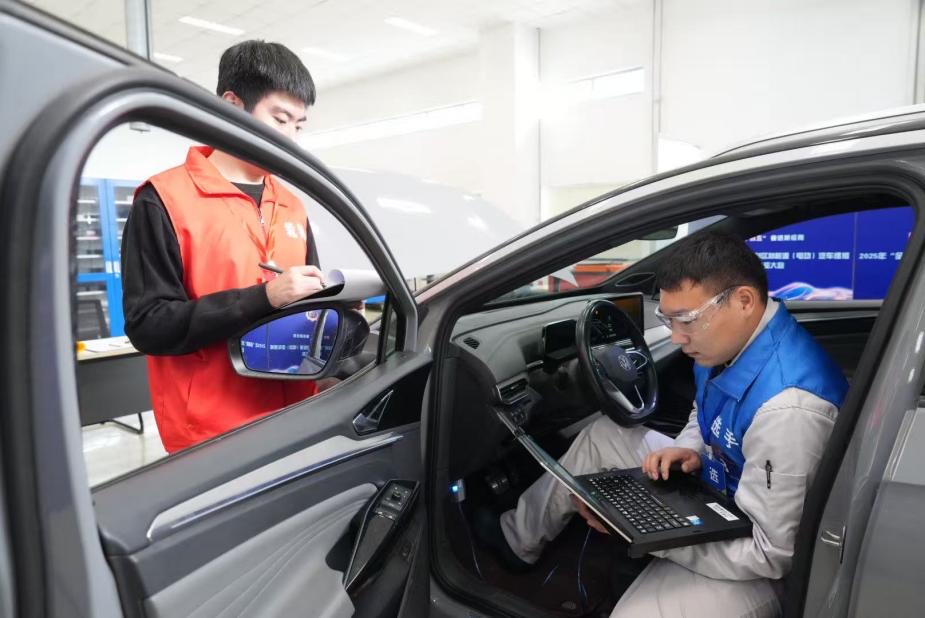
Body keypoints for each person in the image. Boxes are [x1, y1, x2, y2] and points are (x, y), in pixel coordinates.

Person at [479, 232, 848, 617]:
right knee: (604, 435)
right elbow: (704, 411)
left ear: (743, 301)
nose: (676, 337)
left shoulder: (788, 410)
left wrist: (641, 530)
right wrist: (688, 447)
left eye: (686, 320)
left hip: (759, 561)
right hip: (725, 489)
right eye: (668, 320)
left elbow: (771, 554)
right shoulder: (729, 345)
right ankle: (516, 541)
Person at [122, 40, 326, 453]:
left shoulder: (291, 204)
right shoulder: (164, 199)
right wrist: (263, 298)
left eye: (298, 126)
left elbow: (305, 305)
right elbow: (149, 325)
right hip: (211, 435)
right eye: (280, 119)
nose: (291, 138)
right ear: (232, 106)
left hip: (295, 416)